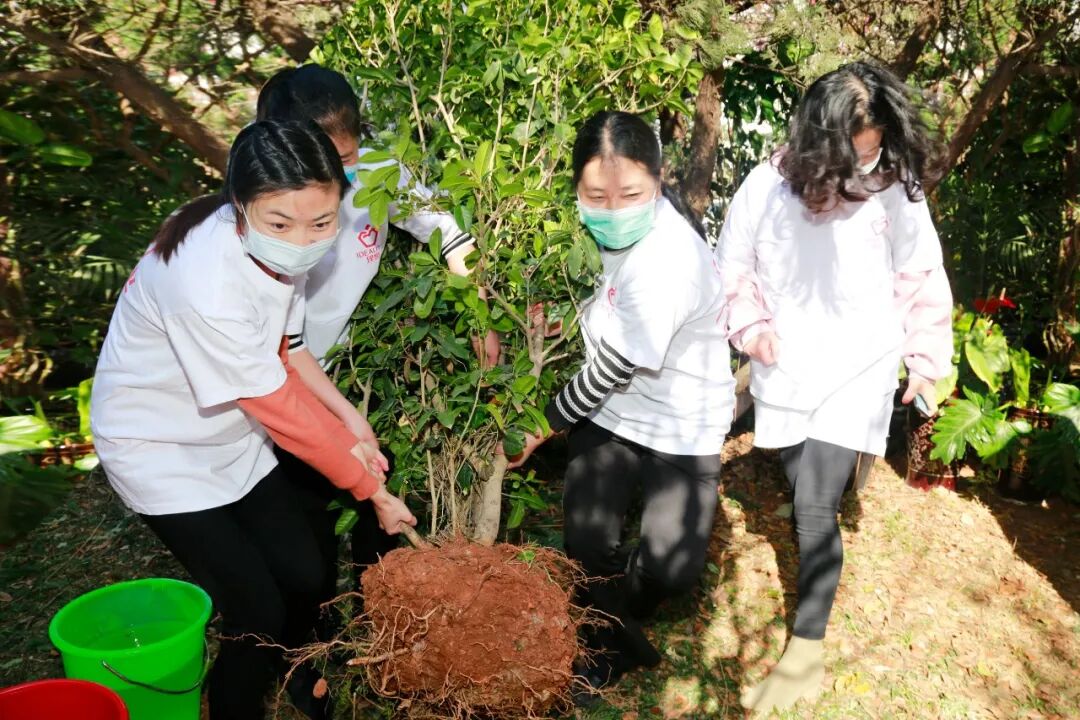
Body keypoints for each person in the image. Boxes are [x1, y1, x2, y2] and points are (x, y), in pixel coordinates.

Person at [90, 120, 416, 720]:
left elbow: (287, 349)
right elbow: (279, 407)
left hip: (229, 431)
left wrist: (353, 425)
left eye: (322, 222)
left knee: (304, 568)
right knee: (255, 612)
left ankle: (293, 668)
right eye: (280, 224)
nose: (301, 240)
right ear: (240, 207)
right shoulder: (203, 278)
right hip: (159, 448)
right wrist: (371, 490)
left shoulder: (273, 250)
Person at [715, 62, 953, 714]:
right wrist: (751, 325)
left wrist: (925, 359)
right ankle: (850, 481)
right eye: (856, 149)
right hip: (787, 365)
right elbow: (732, 266)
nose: (867, 162)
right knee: (802, 481)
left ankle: (806, 652)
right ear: (820, 140)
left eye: (876, 147)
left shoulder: (896, 189)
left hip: (859, 366)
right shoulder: (766, 186)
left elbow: (921, 274)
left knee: (813, 503)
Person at [502, 111, 736, 703]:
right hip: (609, 417)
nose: (611, 210)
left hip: (681, 422)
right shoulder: (580, 233)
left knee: (673, 569)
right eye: (594, 195)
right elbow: (587, 298)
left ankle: (621, 610)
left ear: (659, 181)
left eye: (630, 194)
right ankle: (603, 645)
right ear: (574, 188)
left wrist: (541, 427)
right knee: (587, 539)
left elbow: (612, 367)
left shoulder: (668, 260)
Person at [254, 64, 497, 598]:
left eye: (350, 153)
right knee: (305, 518)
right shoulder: (263, 205)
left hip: (341, 366)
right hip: (275, 377)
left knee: (375, 494)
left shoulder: (378, 171)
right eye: (332, 161)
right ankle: (313, 624)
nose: (348, 171)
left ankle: (379, 607)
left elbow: (446, 233)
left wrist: (481, 319)